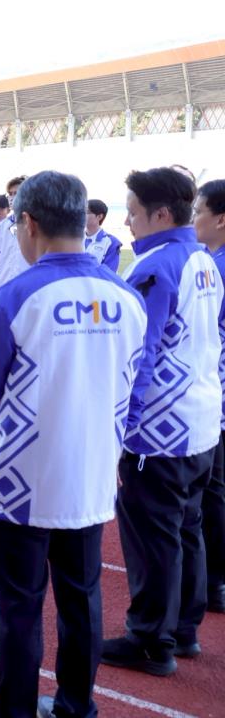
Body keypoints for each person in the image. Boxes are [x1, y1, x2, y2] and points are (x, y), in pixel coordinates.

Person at [0, 170, 146, 718]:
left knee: (20, 606)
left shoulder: (15, 296)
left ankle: (16, 708)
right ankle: (76, 705)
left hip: (22, 479)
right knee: (82, 597)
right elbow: (137, 382)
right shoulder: (127, 295)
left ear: (29, 223)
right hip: (91, 473)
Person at [103, 167, 224, 676]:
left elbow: (141, 354)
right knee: (186, 529)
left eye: (133, 212)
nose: (128, 222)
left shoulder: (156, 266)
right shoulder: (203, 259)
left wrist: (123, 427)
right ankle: (183, 630)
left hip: (160, 429)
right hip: (201, 422)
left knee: (154, 536)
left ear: (160, 214)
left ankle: (151, 639)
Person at [192, 178, 225, 615]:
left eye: (199, 211)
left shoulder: (216, 267)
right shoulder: (208, 262)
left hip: (213, 392)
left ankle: (213, 580)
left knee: (212, 490)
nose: (193, 218)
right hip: (211, 391)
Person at [0, 175, 30, 295]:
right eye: (10, 194)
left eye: (17, 193)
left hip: (29, 292)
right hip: (2, 291)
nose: (12, 197)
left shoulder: (39, 226)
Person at [84, 199, 122, 273]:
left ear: (99, 216)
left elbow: (109, 273)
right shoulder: (75, 239)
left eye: (86, 212)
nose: (82, 215)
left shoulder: (112, 242)